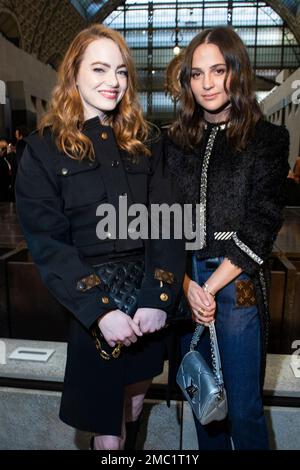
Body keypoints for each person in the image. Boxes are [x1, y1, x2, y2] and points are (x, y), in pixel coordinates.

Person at [16, 24, 185, 450]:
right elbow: (48, 243)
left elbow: (167, 223)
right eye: (99, 69)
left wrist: (158, 297)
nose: (113, 82)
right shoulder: (43, 148)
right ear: (74, 75)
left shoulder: (147, 141)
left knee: (132, 406)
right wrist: (100, 311)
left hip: (146, 294)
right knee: (107, 425)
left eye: (121, 71)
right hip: (91, 299)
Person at [165, 26, 289, 450]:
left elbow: (262, 223)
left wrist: (208, 289)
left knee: (243, 409)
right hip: (184, 285)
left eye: (218, 70)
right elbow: (164, 223)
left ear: (237, 71)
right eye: (197, 74)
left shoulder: (268, 139)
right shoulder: (174, 142)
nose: (207, 83)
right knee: (206, 409)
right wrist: (186, 286)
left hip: (236, 285)